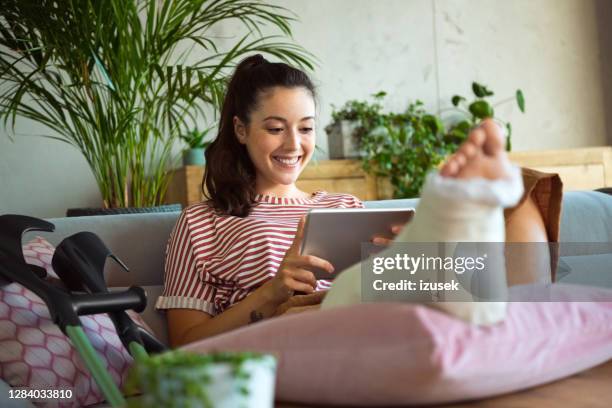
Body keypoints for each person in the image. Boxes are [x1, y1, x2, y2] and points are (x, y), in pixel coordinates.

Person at [156, 55, 561, 347]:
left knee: (521, 201)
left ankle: (482, 218)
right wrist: (270, 293)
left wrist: (398, 257)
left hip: (376, 321)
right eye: (276, 128)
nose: (294, 145)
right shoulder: (201, 223)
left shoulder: (344, 207)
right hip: (294, 335)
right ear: (241, 130)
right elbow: (183, 345)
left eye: (307, 128)